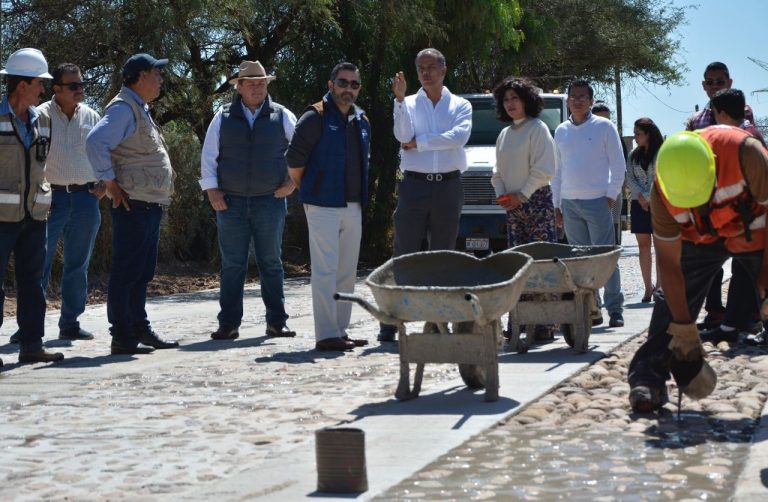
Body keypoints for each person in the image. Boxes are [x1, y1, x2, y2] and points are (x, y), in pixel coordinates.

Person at [627, 127, 768, 413]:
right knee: (670, 305)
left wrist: (765, 287)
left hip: (754, 232)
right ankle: (648, 380)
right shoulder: (661, 193)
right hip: (700, 239)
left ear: (713, 166)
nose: (699, 206)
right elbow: (669, 265)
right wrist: (684, 328)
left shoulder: (749, 156)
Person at [86, 53, 179, 355]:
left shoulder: (138, 108)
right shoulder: (125, 108)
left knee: (141, 271)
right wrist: (110, 183)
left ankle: (138, 329)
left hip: (146, 203)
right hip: (133, 204)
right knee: (127, 270)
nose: (161, 79)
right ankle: (123, 337)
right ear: (140, 76)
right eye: (156, 73)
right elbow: (95, 142)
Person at [379, 48, 472, 342]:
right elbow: (402, 136)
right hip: (414, 185)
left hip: (448, 185)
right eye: (421, 68)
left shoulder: (460, 104)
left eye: (431, 67)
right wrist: (397, 100)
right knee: (403, 252)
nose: (426, 72)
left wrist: (420, 143)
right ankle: (392, 320)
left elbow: (459, 137)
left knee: (443, 254)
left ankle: (438, 318)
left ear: (443, 70)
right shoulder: (406, 103)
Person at [200, 60, 297, 341]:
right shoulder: (223, 116)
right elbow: (209, 157)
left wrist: (292, 183)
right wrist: (212, 191)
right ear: (239, 87)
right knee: (232, 265)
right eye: (251, 83)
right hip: (230, 203)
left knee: (271, 262)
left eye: (261, 82)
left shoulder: (283, 116)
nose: (257, 87)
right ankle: (228, 324)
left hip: (271, 200)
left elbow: (302, 150)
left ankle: (277, 323)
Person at [286, 62, 371, 351]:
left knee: (347, 271)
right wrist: (312, 190)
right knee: (325, 270)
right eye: (343, 82)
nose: (348, 89)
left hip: (353, 205)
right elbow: (294, 164)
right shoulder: (314, 117)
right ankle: (326, 334)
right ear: (330, 84)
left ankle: (340, 330)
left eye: (354, 84)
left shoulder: (362, 121)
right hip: (322, 205)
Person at [686, 62, 762, 331]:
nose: (715, 86)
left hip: (741, 203)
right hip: (709, 203)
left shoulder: (743, 116)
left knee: (747, 263)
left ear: (729, 82)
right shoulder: (696, 121)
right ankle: (718, 313)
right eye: (711, 82)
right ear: (703, 85)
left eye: (720, 81)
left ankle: (746, 318)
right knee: (711, 265)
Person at [0, 48, 64, 363]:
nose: (43, 89)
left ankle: (32, 346)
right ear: (22, 85)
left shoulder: (43, 120)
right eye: (40, 83)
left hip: (35, 216)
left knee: (33, 284)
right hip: (1, 217)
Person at [36, 63, 104, 341]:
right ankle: (29, 326)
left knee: (78, 264)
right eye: (73, 85)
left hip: (86, 198)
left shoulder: (92, 115)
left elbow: (104, 151)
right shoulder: (39, 116)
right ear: (57, 89)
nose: (80, 90)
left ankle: (70, 323)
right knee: (38, 262)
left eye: (82, 84)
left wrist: (104, 182)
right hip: (50, 198)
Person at [552, 80, 626, 328]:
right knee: (580, 261)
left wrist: (610, 195)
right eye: (574, 96)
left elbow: (618, 165)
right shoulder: (561, 130)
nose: (578, 100)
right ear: (568, 100)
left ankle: (615, 308)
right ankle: (591, 308)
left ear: (591, 101)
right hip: (570, 203)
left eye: (583, 96)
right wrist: (557, 204)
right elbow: (557, 170)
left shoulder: (605, 127)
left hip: (597, 201)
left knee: (605, 257)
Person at [699, 89, 766, 345]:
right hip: (747, 220)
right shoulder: (750, 135)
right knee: (743, 273)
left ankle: (735, 327)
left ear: (723, 114)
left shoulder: (743, 139)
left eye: (716, 114)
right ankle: (729, 327)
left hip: (753, 219)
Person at [491, 77, 556, 341]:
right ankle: (518, 321)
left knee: (540, 265)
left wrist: (523, 194)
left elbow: (544, 169)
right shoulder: (504, 134)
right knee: (517, 267)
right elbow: (497, 172)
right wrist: (503, 197)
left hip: (537, 203)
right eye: (506, 100)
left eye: (514, 98)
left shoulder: (538, 128)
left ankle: (544, 324)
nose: (510, 104)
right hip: (513, 209)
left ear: (526, 100)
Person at [626, 118, 663, 302]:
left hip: (659, 203)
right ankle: (647, 288)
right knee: (643, 246)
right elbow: (630, 177)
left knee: (660, 246)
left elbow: (662, 176)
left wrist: (649, 196)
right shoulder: (633, 155)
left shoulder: (662, 152)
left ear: (648, 134)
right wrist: (640, 195)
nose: (636, 137)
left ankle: (660, 287)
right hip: (638, 204)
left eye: (638, 134)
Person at [591, 101, 628, 245]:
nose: (604, 124)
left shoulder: (616, 138)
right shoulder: (583, 138)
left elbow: (622, 167)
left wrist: (616, 191)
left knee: (613, 228)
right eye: (600, 119)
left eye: (607, 119)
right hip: (590, 193)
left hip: (612, 193)